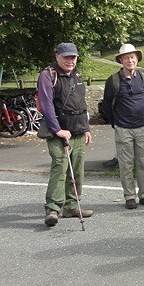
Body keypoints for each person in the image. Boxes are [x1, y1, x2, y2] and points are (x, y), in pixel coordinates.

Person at [37, 42, 93, 227]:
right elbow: (47, 105)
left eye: (73, 57)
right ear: (57, 56)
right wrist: (58, 130)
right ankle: (52, 208)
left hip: (77, 130)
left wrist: (86, 128)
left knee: (77, 170)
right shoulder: (48, 76)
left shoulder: (77, 75)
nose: (70, 60)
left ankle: (71, 206)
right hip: (58, 132)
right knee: (60, 166)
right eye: (66, 57)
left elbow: (81, 104)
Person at [102, 43, 144, 210]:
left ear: (137, 59)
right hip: (123, 128)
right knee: (126, 164)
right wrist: (115, 122)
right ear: (121, 60)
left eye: (132, 57)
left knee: (143, 163)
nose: (130, 60)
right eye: (126, 57)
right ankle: (130, 197)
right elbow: (106, 106)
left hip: (142, 127)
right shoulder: (113, 80)